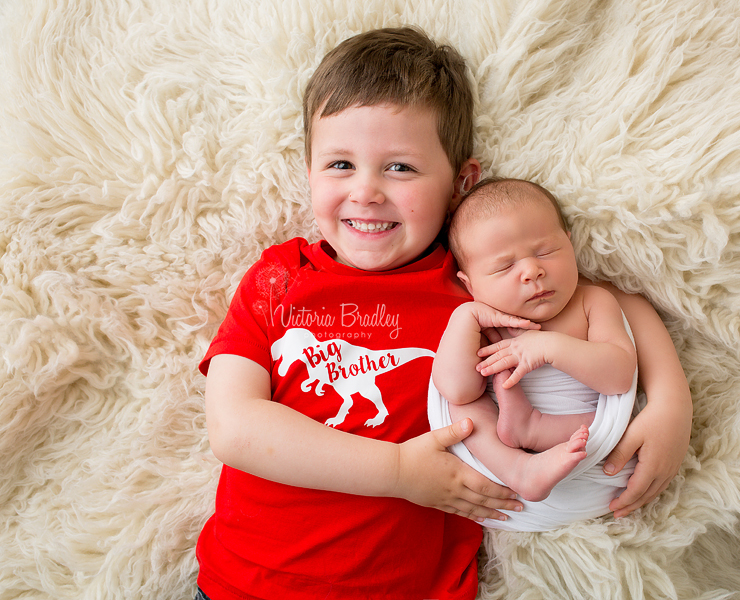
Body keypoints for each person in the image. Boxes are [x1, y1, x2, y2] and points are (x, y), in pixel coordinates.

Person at [195, 25, 692, 600]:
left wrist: (671, 400)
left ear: (460, 184)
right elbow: (233, 428)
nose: (366, 192)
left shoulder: (473, 284)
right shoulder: (280, 278)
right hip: (247, 580)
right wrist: (400, 473)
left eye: (400, 168)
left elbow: (611, 301)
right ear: (308, 171)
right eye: (339, 165)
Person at [432, 177, 637, 506]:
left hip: (588, 449)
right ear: (470, 285)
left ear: (570, 244)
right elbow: (456, 391)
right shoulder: (481, 323)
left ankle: (533, 426)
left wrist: (549, 348)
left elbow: (620, 376)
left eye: (546, 251)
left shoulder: (591, 303)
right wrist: (464, 318)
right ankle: (518, 468)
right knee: (463, 409)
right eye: (505, 266)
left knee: (629, 424)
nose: (531, 270)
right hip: (506, 477)